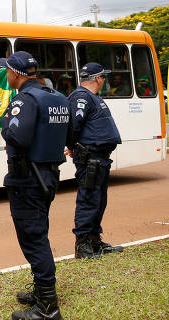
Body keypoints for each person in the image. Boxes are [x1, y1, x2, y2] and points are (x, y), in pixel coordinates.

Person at [0, 51, 68, 320]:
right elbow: (69, 133)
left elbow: (16, 135)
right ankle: (42, 291)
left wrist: (4, 120)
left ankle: (48, 307)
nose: (6, 74)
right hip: (47, 174)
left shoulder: (24, 99)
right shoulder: (57, 97)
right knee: (38, 231)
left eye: (7, 71)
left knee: (33, 238)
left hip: (27, 179)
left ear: (16, 73)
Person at [66, 62, 123, 259]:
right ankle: (82, 245)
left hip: (100, 159)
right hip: (90, 159)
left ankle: (94, 241)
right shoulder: (81, 96)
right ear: (97, 78)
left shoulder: (91, 97)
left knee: (99, 201)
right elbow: (73, 125)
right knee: (88, 200)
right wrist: (73, 146)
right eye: (103, 77)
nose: (104, 80)